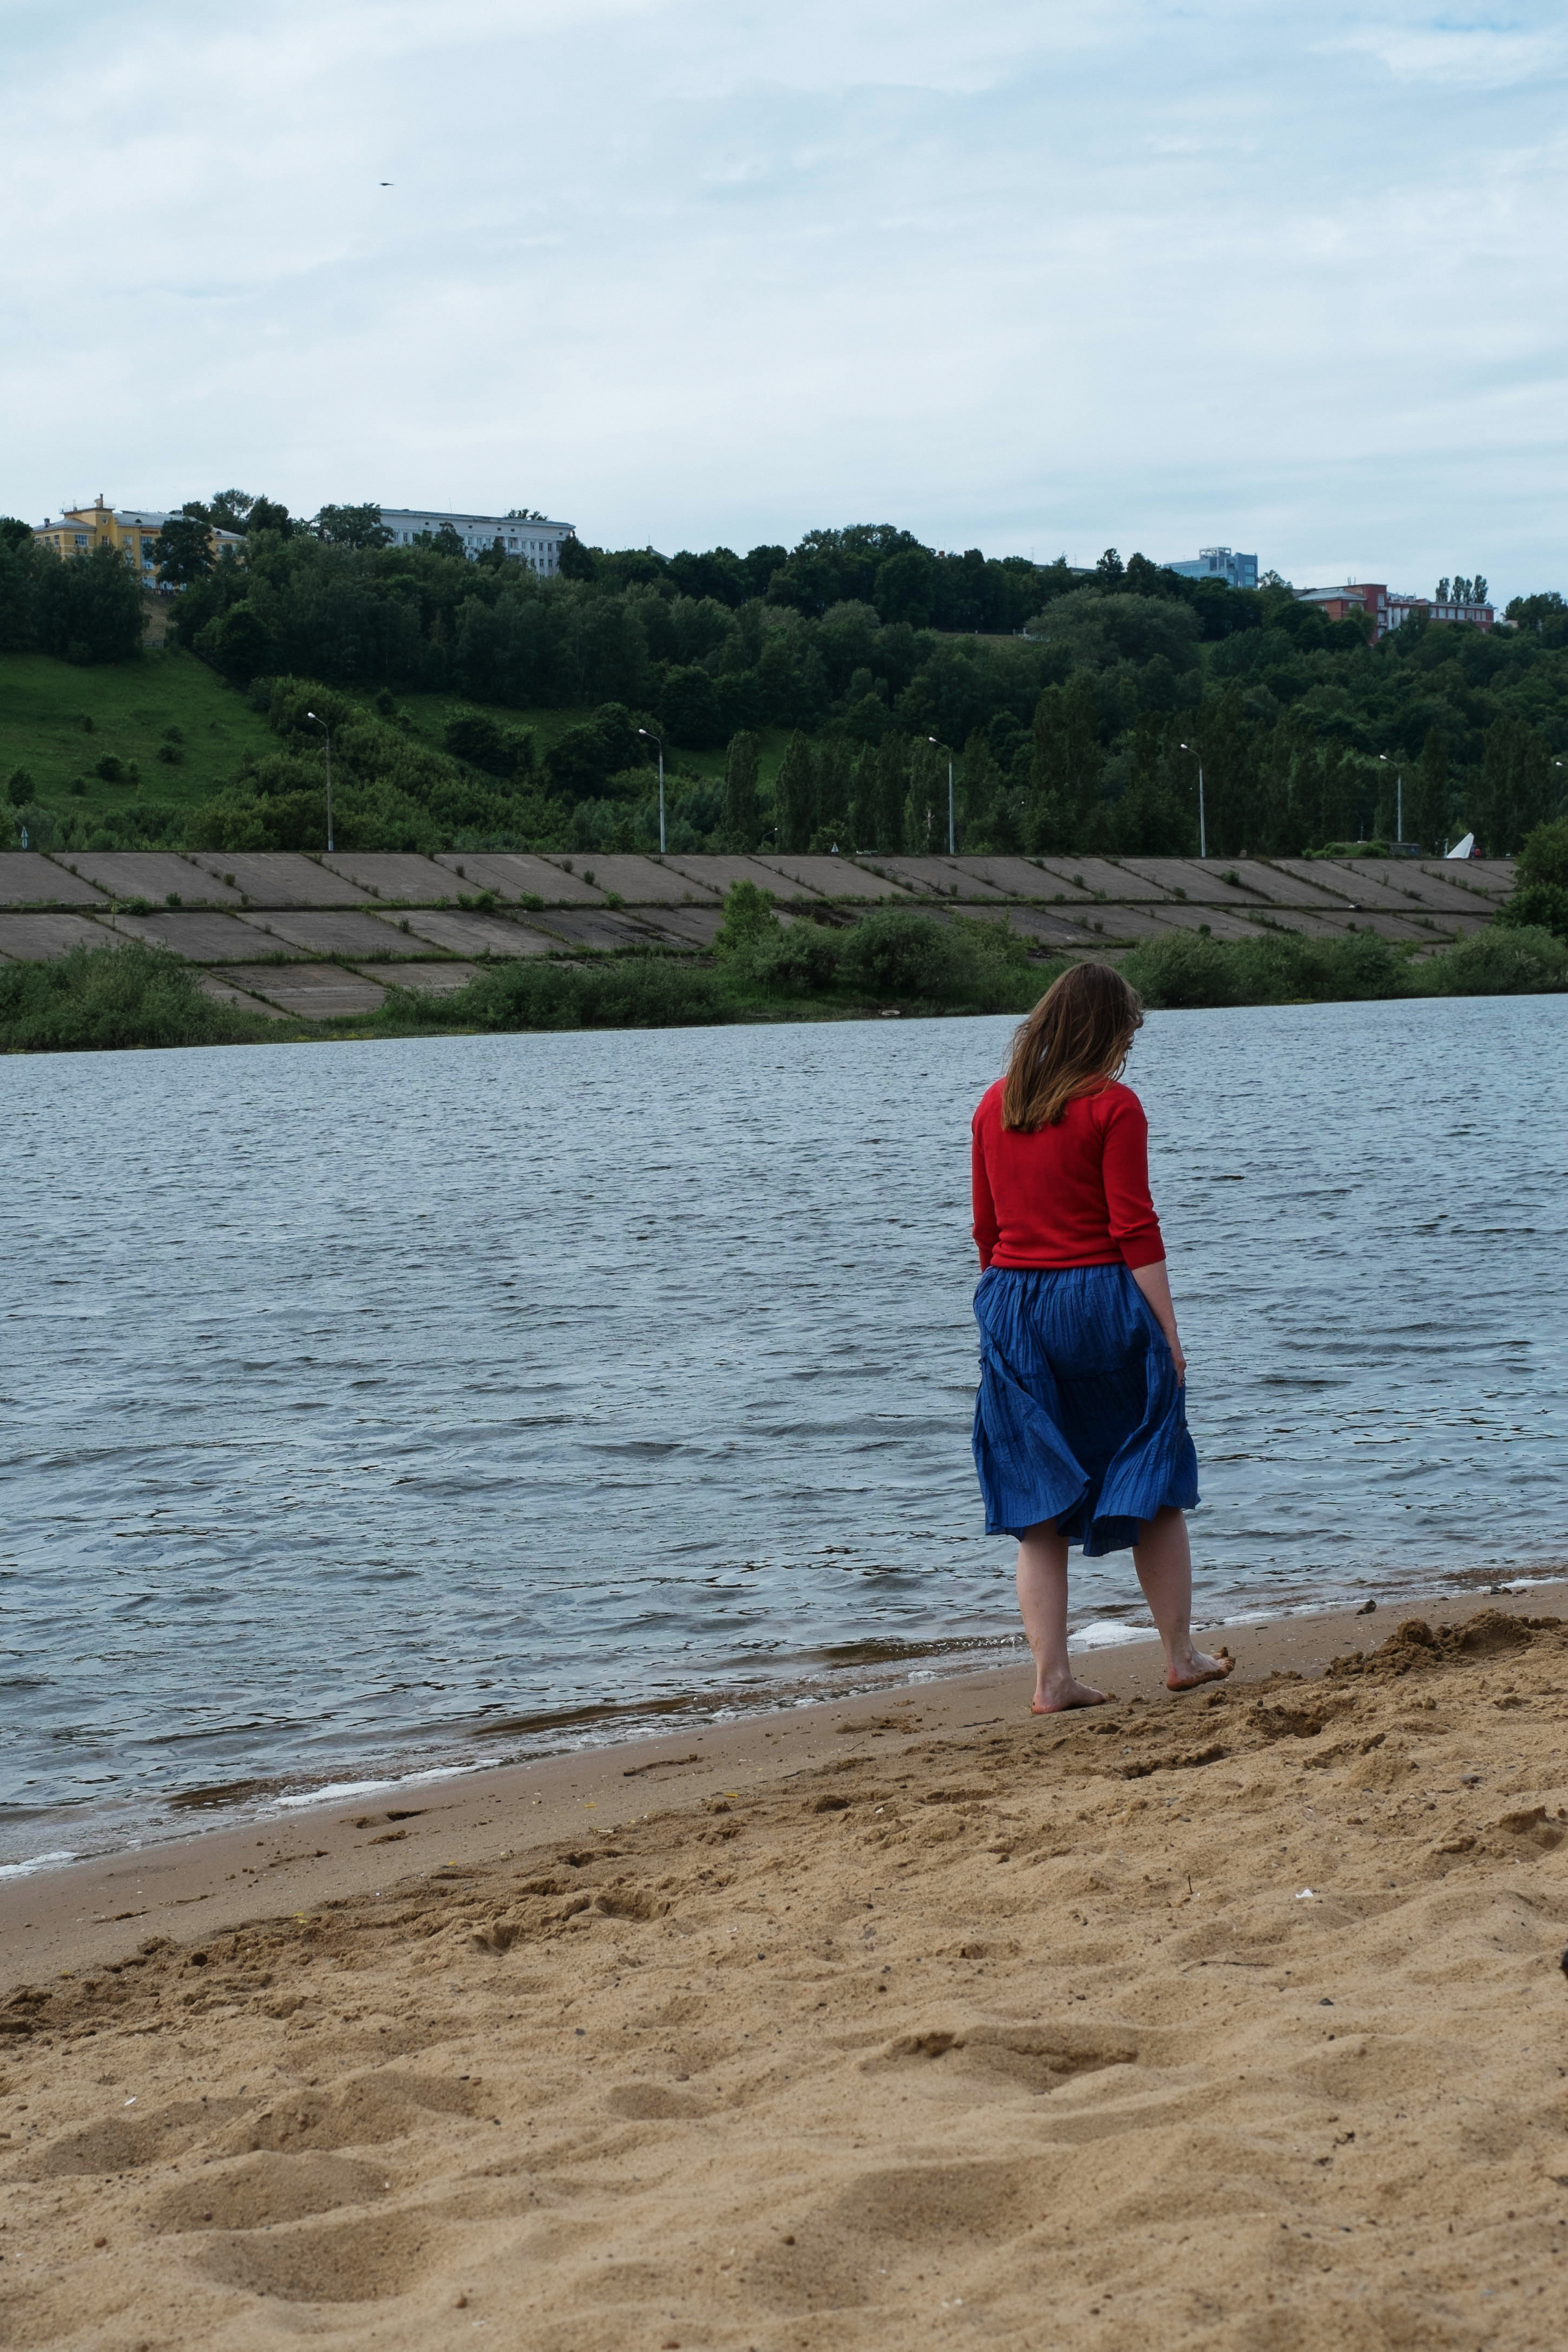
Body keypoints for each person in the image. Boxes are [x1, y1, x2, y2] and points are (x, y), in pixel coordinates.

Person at [970, 962, 1232, 1713]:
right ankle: (1180, 1656)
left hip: (1012, 1298)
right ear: (1106, 1032)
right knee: (1154, 1469)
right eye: (1125, 1035)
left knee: (1037, 1502)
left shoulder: (994, 1105)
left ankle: (1051, 1680)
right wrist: (1168, 1334)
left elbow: (986, 1229)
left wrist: (1005, 1310)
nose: (1127, 1049)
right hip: (1098, 1298)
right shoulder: (1113, 1107)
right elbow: (1134, 1228)